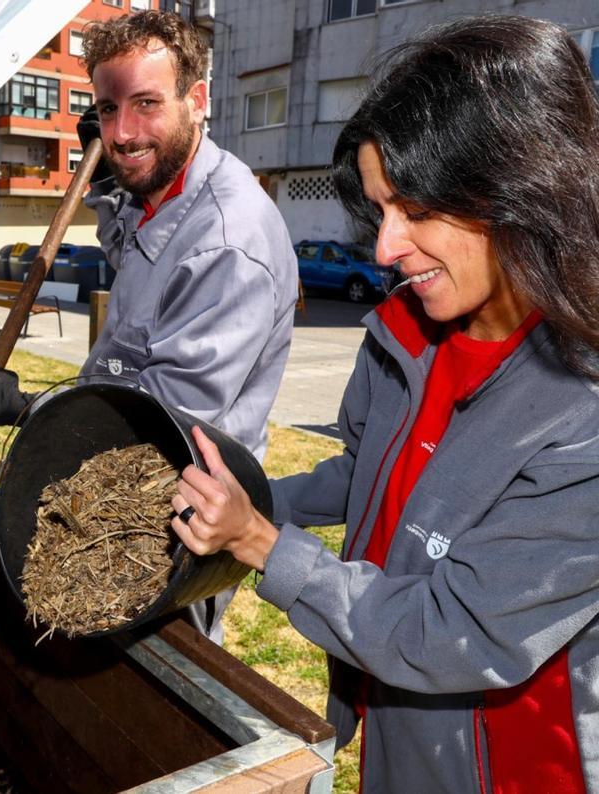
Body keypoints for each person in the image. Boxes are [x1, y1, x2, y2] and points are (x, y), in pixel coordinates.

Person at [168, 16, 599, 792]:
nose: (384, 249)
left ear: (521, 187)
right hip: (395, 721)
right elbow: (366, 470)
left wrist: (265, 544)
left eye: (415, 208)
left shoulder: (583, 411)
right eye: (379, 209)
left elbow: (452, 631)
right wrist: (245, 498)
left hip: (510, 764)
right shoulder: (405, 333)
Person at [0, 10, 297, 643]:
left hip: (170, 526)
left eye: (146, 104)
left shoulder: (226, 243)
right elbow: (130, 244)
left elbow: (164, 431)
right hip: (113, 486)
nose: (123, 131)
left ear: (197, 100)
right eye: (108, 110)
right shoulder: (162, 193)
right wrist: (107, 180)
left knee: (158, 691)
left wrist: (32, 407)